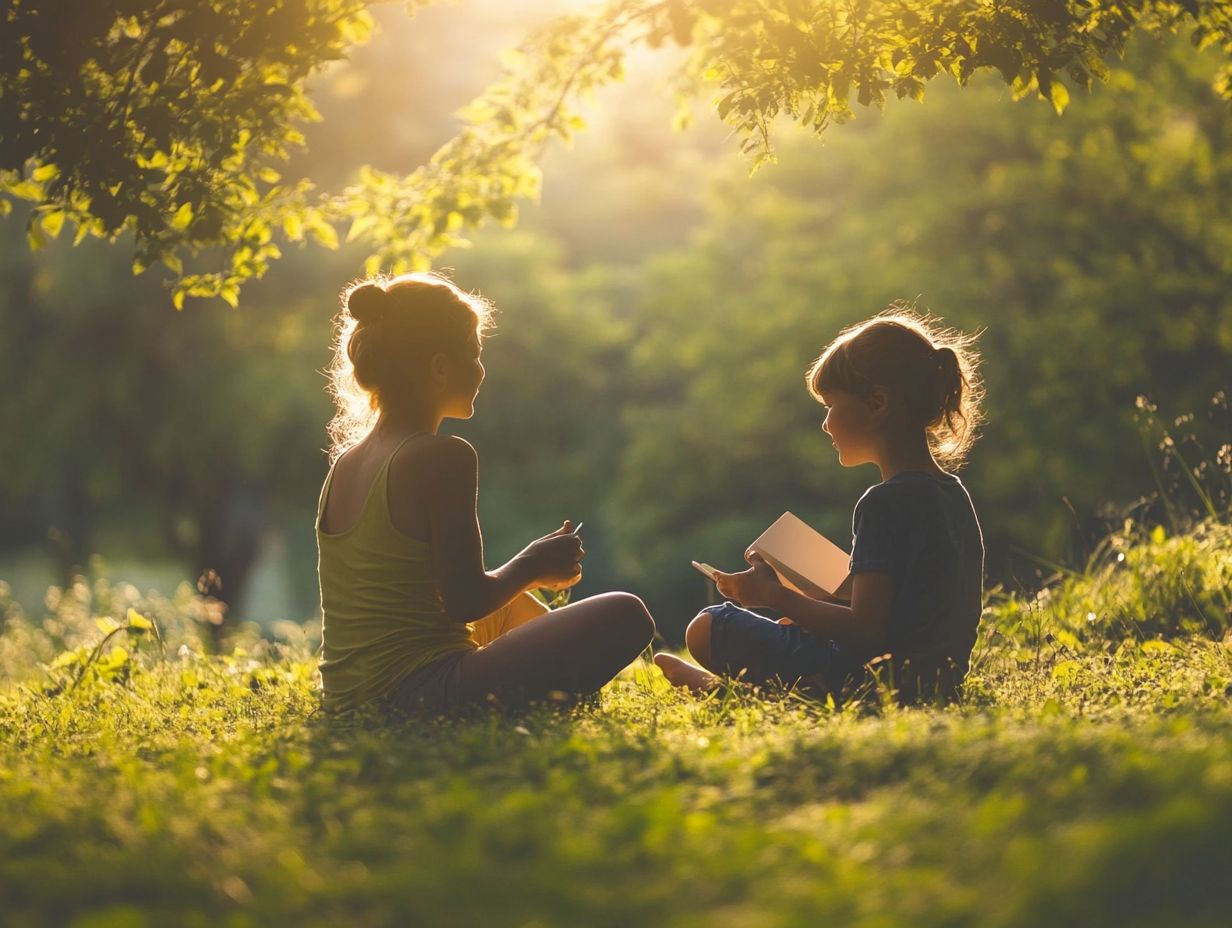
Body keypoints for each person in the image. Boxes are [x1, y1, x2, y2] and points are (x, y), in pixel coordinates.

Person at [315, 273, 655, 715]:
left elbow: (428, 592)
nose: (481, 370)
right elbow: (466, 601)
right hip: (418, 696)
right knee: (626, 613)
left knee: (516, 609)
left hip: (347, 698)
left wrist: (525, 579)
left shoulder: (345, 463)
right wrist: (533, 563)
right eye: (474, 356)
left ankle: (557, 682)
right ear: (439, 367)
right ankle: (557, 685)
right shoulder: (443, 456)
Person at [655, 307, 986, 705]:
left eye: (830, 405)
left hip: (876, 681)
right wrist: (812, 605)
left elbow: (866, 629)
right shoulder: (952, 492)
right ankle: (749, 693)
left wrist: (773, 595)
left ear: (877, 403)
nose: (825, 424)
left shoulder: (883, 502)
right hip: (936, 680)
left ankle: (732, 694)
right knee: (780, 622)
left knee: (709, 626)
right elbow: (908, 607)